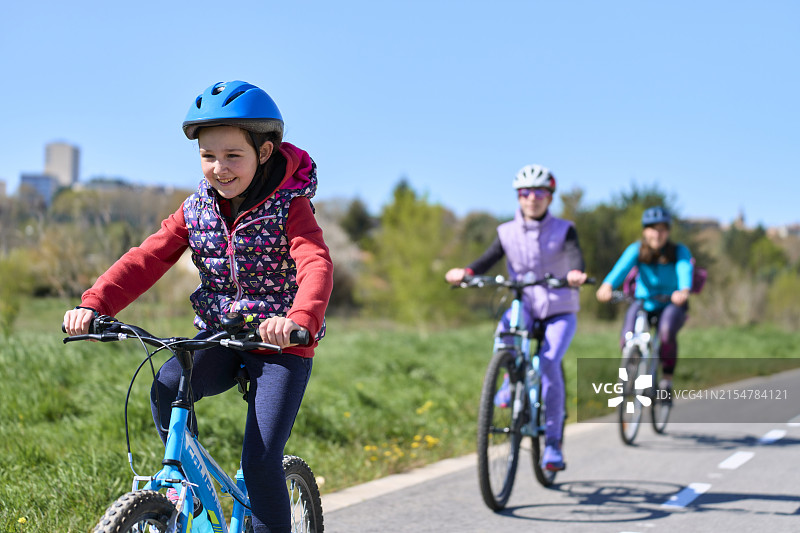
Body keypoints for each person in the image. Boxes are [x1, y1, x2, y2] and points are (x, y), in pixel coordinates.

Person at [63, 80, 333, 533]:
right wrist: (95, 304)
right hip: (220, 334)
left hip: (282, 344)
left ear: (264, 153)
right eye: (209, 156)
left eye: (233, 156)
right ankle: (187, 500)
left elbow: (315, 263)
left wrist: (299, 319)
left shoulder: (290, 207)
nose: (219, 168)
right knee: (166, 390)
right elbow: (146, 258)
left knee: (261, 459)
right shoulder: (196, 210)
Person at [445, 164, 588, 471]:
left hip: (559, 309)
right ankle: (510, 378)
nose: (531, 198)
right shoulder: (506, 232)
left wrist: (575, 273)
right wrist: (466, 273)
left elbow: (575, 255)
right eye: (525, 193)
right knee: (504, 333)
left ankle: (552, 444)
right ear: (518, 197)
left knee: (549, 362)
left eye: (539, 192)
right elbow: (487, 259)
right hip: (525, 305)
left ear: (550, 197)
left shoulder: (565, 229)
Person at [595, 206, 693, 395]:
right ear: (644, 231)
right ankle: (631, 371)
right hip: (643, 302)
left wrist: (683, 290)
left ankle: (666, 380)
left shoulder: (678, 251)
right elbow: (620, 270)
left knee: (666, 333)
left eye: (662, 229)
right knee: (627, 336)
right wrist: (607, 286)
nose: (657, 234)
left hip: (672, 303)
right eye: (652, 228)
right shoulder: (637, 250)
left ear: (668, 231)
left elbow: (684, 269)